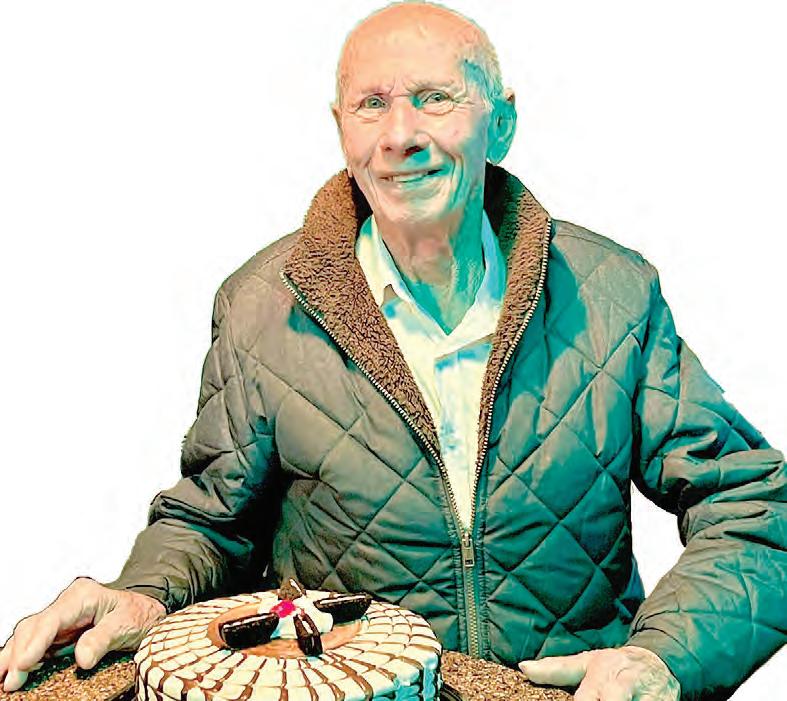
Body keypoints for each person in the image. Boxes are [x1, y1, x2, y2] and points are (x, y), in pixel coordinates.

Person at [1, 2, 785, 699]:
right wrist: (142, 592)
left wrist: (663, 657)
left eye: (434, 98)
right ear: (339, 127)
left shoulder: (610, 291)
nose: (399, 136)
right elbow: (214, 519)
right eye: (370, 105)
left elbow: (757, 511)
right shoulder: (259, 306)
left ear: (501, 121)